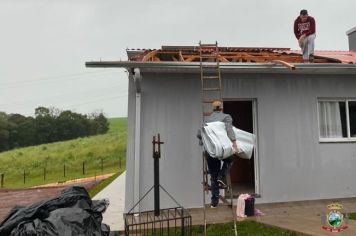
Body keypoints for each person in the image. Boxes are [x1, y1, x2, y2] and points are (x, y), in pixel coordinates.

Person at [198, 100, 240, 208]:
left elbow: (199, 134)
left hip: (210, 151)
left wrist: (202, 142)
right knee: (231, 159)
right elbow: (229, 129)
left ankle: (214, 202)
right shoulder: (226, 117)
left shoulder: (207, 120)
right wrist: (234, 142)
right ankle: (222, 175)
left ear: (213, 109)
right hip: (222, 149)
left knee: (213, 175)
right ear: (221, 108)